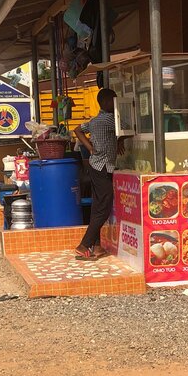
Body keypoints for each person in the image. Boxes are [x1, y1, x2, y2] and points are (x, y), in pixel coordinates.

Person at [73, 87, 125, 261]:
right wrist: (121, 139)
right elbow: (128, 128)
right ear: (107, 102)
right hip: (103, 167)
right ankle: (84, 245)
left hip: (95, 166)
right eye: (114, 101)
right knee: (104, 207)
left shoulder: (95, 120)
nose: (116, 104)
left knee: (97, 207)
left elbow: (77, 130)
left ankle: (96, 246)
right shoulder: (111, 119)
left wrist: (90, 148)